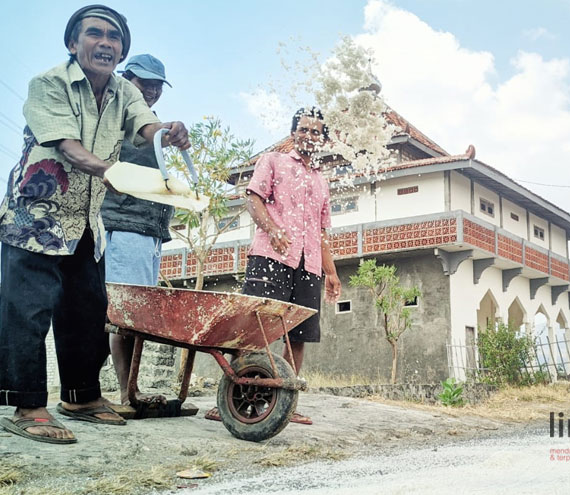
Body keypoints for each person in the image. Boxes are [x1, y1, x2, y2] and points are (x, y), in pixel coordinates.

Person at [0, 5, 190, 444]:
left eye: (114, 38)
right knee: (29, 309)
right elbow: (66, 144)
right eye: (95, 34)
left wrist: (169, 131)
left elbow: (147, 126)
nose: (106, 43)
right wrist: (110, 170)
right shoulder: (49, 83)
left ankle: (81, 397)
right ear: (74, 43)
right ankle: (27, 405)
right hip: (37, 215)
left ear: (122, 51)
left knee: (87, 309)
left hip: (87, 220)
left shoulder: (125, 91)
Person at [205, 107, 341, 425]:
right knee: (254, 330)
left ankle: (283, 404)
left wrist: (331, 271)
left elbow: (321, 231)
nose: (309, 136)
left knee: (299, 336)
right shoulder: (273, 161)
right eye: (304, 130)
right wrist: (273, 229)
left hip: (308, 266)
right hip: (271, 257)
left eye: (315, 132)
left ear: (322, 139)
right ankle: (227, 400)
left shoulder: (322, 180)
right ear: (294, 134)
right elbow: (253, 200)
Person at [100, 54, 174, 408]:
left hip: (148, 228)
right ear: (125, 78)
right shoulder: (114, 117)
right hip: (124, 223)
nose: (151, 91)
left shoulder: (150, 123)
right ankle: (125, 393)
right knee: (123, 314)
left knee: (132, 314)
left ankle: (127, 389)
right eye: (144, 82)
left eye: (157, 85)